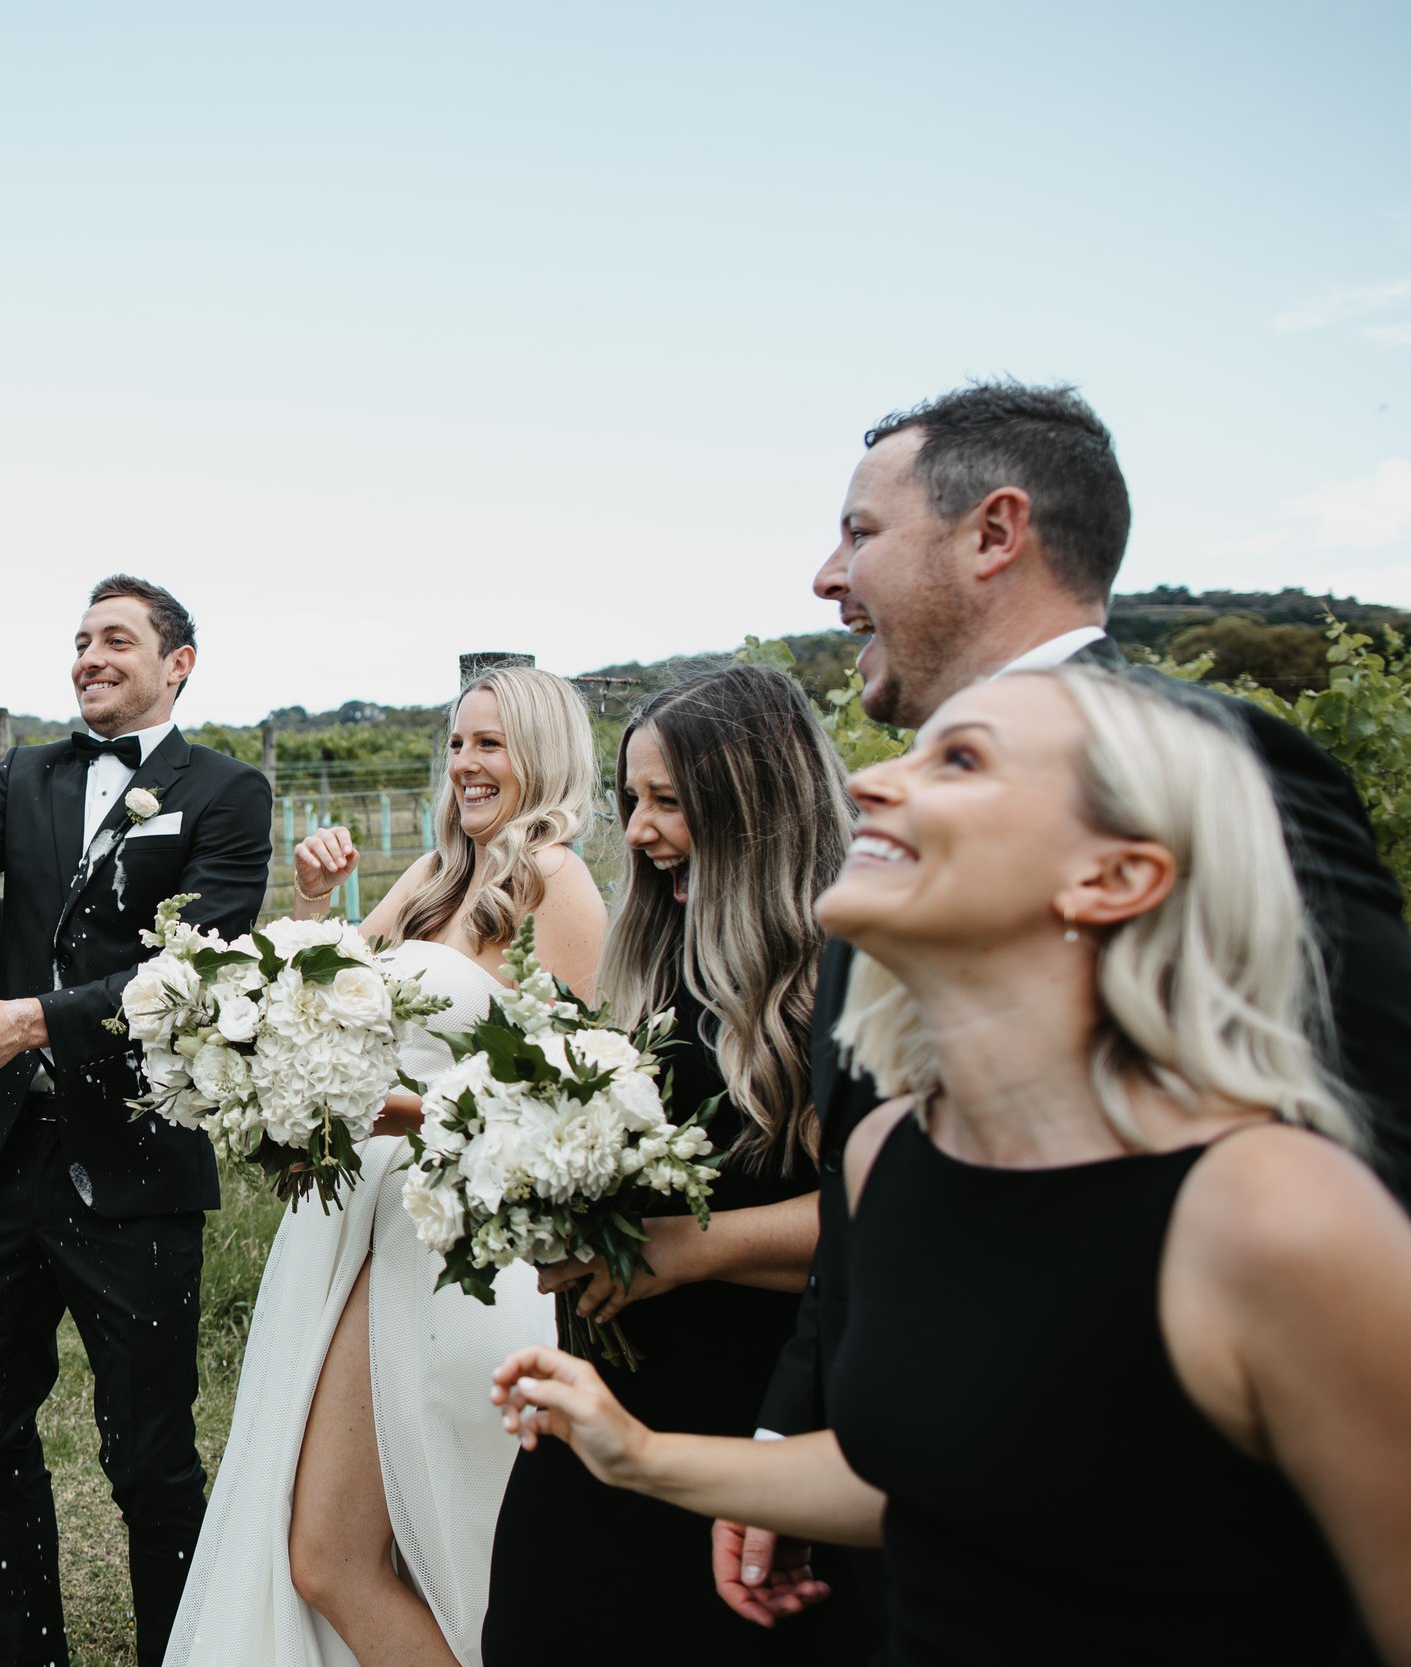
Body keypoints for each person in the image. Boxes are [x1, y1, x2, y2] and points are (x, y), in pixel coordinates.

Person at [498, 667, 1411, 1667]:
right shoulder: (899, 1151)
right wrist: (643, 1455)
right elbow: (924, 1472)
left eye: (961, 759)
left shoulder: (1280, 1214)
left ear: (1113, 877)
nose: (875, 781)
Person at [729, 382, 1411, 1645]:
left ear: (994, 533)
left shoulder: (1211, 767)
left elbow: (1376, 1124)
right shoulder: (900, 855)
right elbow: (872, 1197)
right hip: (911, 1490)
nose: (827, 576)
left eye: (858, 531)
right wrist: (798, 1427)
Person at [0, 574, 274, 1667]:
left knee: (149, 1454)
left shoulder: (227, 792)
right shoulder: (23, 775)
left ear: (178, 662)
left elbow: (198, 969)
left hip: (135, 1153)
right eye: (79, 638)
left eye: (115, 639)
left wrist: (26, 1019)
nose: (87, 655)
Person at [165, 665, 605, 1667]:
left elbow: (572, 1102)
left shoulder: (558, 882)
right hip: (363, 1224)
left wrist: (404, 1111)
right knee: (327, 1551)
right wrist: (314, 902)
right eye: (455, 743)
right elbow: (315, 1004)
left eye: (489, 743)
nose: (464, 763)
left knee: (451, 1548)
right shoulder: (430, 877)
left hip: (470, 1243)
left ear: (541, 754)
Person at [480, 665, 845, 1665]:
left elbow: (877, 1223)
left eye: (669, 802)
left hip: (749, 1412)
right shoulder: (657, 964)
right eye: (632, 800)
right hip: (605, 1399)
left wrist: (688, 1248)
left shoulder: (833, 983)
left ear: (759, 804)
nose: (638, 830)